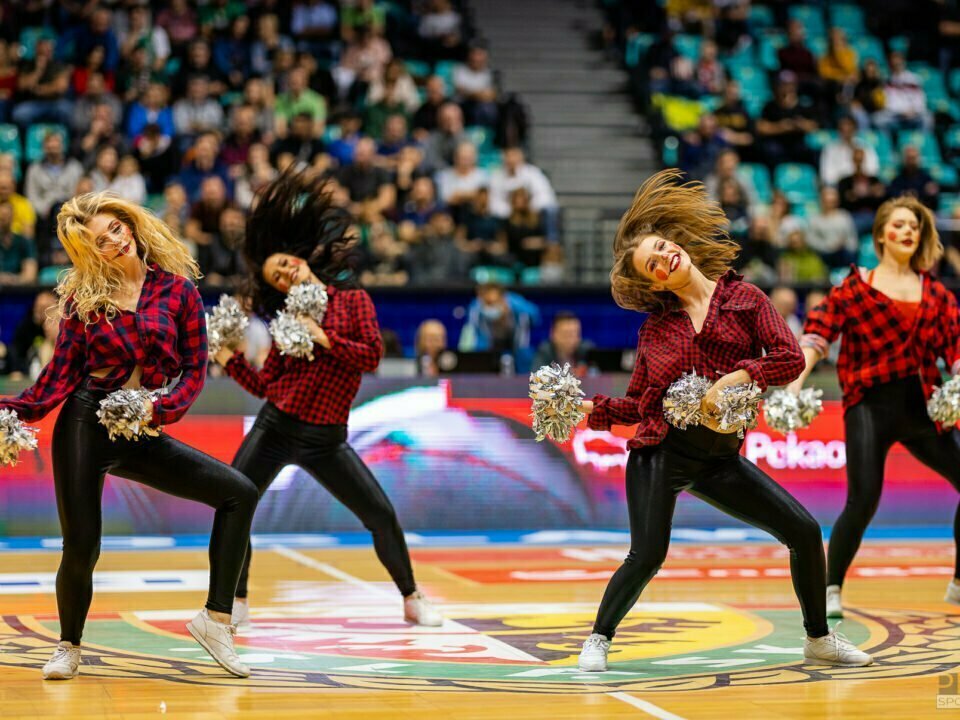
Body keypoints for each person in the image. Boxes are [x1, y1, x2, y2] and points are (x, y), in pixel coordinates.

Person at [575, 169, 872, 673]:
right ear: (653, 282)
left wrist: (736, 377)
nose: (665, 257)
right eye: (653, 264)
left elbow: (789, 360)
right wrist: (592, 411)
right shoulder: (656, 329)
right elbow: (641, 406)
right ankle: (598, 639)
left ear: (679, 245)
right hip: (661, 454)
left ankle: (818, 639)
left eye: (664, 247)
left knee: (802, 530)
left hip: (719, 459)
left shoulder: (746, 300)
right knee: (647, 554)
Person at [0, 193, 258, 680]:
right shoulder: (85, 300)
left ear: (132, 226)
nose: (114, 242)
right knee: (81, 546)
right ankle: (68, 645)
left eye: (116, 229)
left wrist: (159, 410)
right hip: (85, 422)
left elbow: (193, 371)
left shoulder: (178, 292)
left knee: (239, 493)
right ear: (91, 253)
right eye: (101, 241)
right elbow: (57, 376)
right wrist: (10, 411)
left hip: (141, 425)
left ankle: (216, 619)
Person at [212, 171, 442, 631]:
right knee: (233, 504)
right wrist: (230, 360)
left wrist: (325, 337)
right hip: (275, 427)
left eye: (284, 264)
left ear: (298, 258)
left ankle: (412, 597)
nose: (283, 273)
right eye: (276, 276)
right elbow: (265, 386)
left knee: (380, 514)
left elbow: (371, 356)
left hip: (327, 439)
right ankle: (234, 600)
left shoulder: (353, 301)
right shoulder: (283, 322)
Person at [787, 196, 960, 620]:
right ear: (881, 233)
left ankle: (958, 582)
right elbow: (817, 334)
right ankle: (831, 586)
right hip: (869, 406)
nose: (907, 232)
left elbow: (954, 349)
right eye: (899, 224)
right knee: (863, 499)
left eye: (915, 226)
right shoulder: (855, 286)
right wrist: (797, 380)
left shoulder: (935, 293)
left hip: (923, 409)